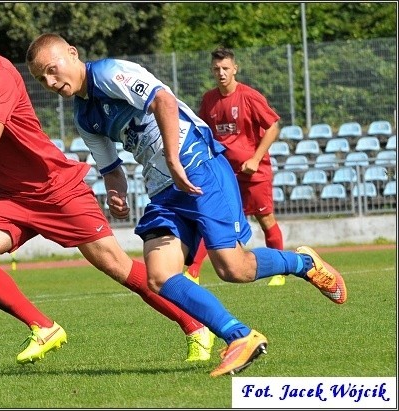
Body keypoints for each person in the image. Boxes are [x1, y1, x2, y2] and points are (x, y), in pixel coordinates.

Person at [0, 4, 211, 366]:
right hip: (14, 197)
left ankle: (195, 326)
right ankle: (43, 327)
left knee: (117, 267)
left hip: (56, 189)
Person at [26, 33, 347, 377]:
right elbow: (111, 168)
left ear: (72, 54)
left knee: (232, 269)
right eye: (40, 78)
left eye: (51, 69)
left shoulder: (108, 72)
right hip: (164, 192)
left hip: (199, 170)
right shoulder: (84, 117)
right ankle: (239, 337)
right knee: (160, 276)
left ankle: (302, 263)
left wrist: (175, 160)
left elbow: (163, 101)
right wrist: (115, 193)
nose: (49, 82)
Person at [189, 46, 286, 287]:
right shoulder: (209, 100)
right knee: (212, 219)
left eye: (225, 68)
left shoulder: (249, 96)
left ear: (235, 69)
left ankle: (281, 270)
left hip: (254, 172)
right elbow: (205, 132)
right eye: (216, 69)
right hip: (224, 173)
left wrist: (255, 158)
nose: (221, 73)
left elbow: (273, 126)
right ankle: (192, 272)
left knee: (265, 219)